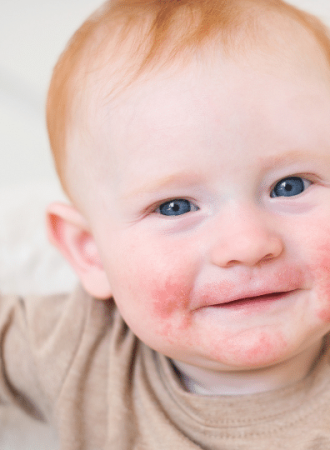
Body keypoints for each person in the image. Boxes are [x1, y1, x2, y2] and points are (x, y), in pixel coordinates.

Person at [2, 0, 330, 447]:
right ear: (90, 251)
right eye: (175, 206)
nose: (248, 243)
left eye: (290, 186)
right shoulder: (79, 345)